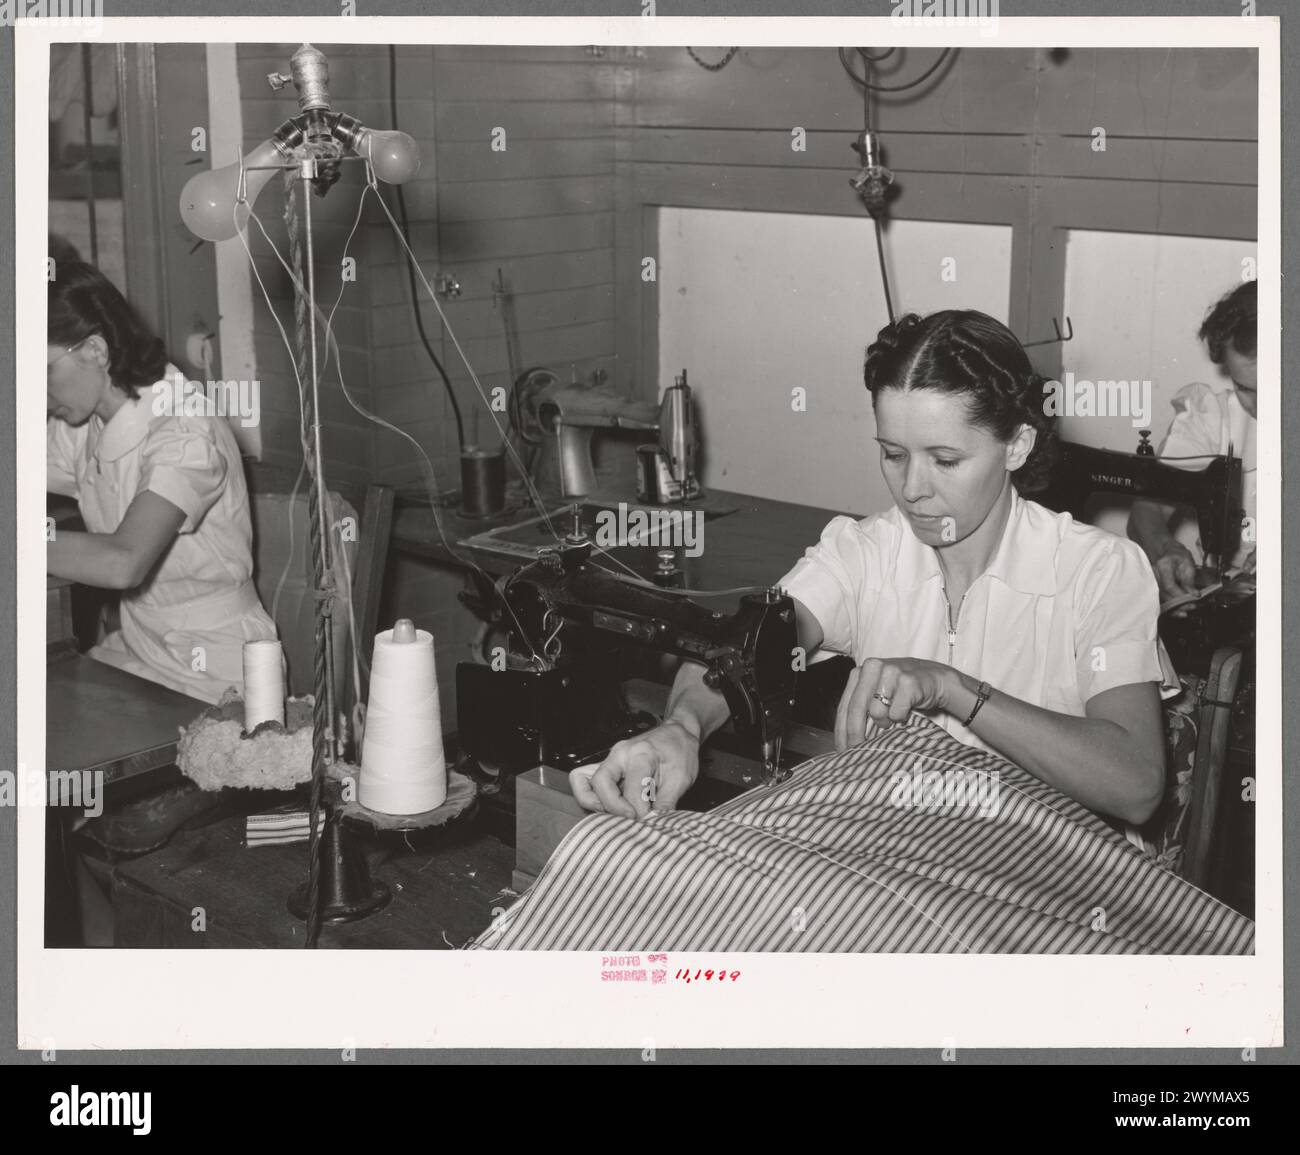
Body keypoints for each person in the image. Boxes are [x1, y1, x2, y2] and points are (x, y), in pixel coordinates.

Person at [576, 309, 1171, 827]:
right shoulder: (865, 553)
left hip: (1054, 876)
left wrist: (955, 689)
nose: (913, 489)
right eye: (893, 455)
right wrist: (681, 727)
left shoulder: (1099, 571)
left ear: (1016, 446)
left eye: (945, 459)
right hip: (905, 857)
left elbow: (1136, 786)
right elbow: (748, 645)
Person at [46, 261, 278, 703]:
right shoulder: (87, 420)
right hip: (139, 646)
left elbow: (123, 561)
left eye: (43, 372)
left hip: (217, 668)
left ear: (95, 350)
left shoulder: (184, 431)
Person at [1128, 280, 1257, 603]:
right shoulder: (1213, 416)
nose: (1261, 407)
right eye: (1245, 389)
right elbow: (1150, 506)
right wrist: (1164, 547)